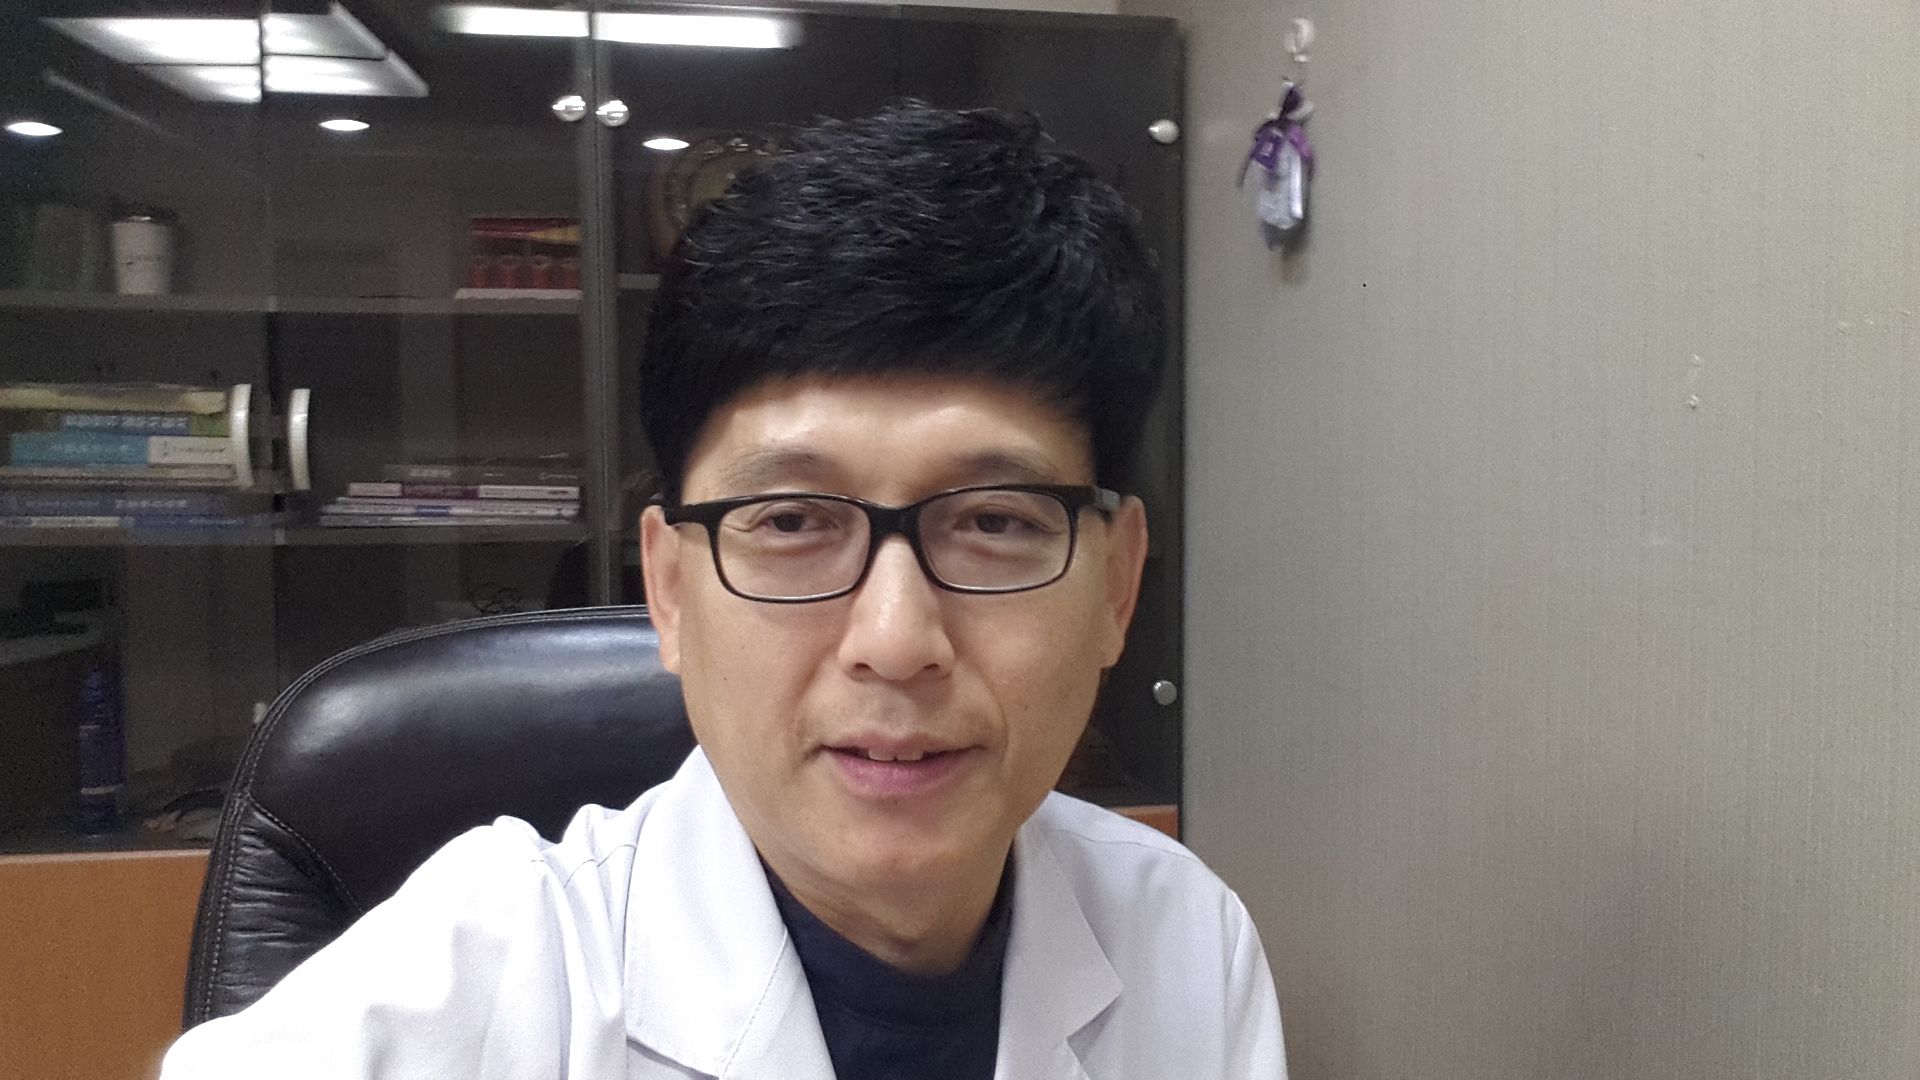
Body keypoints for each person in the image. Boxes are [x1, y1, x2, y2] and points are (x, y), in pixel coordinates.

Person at [160, 102, 1285, 1080]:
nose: (896, 641)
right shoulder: (484, 974)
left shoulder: (1185, 940)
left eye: (995, 522)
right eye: (791, 522)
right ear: (668, 590)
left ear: (1117, 586)